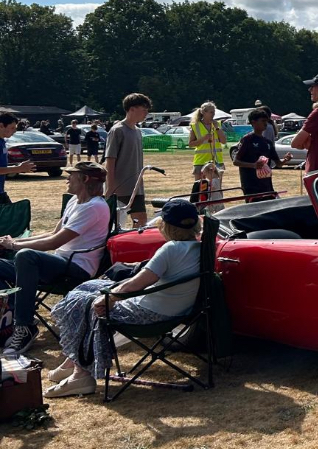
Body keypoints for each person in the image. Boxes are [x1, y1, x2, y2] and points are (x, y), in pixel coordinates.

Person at [44, 199, 201, 397]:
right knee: (88, 286)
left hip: (150, 314)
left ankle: (81, 375)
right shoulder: (200, 247)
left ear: (166, 225)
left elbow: (137, 284)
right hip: (175, 310)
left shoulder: (171, 249)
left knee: (86, 303)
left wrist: (111, 297)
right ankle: (74, 359)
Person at [0, 162, 112, 356]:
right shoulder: (74, 201)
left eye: (71, 175)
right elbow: (53, 233)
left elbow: (54, 242)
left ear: (85, 179)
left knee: (26, 256)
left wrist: (15, 245)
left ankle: (24, 326)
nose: (67, 179)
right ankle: (11, 315)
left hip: (77, 269)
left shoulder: (94, 207)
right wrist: (11, 241)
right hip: (59, 263)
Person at [105, 93, 152, 229]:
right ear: (132, 109)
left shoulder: (138, 131)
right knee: (116, 223)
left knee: (141, 221)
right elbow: (110, 160)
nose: (146, 113)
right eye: (144, 109)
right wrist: (110, 188)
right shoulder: (117, 130)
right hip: (121, 187)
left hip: (136, 187)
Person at [233, 108, 284, 202]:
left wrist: (285, 160)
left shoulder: (268, 142)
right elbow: (236, 161)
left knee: (269, 207)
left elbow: (278, 163)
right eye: (263, 121)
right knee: (254, 208)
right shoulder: (247, 140)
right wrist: (253, 165)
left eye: (267, 121)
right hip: (251, 185)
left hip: (266, 185)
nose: (265, 123)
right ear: (253, 122)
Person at [188, 101, 227, 199]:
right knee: (200, 187)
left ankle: (217, 205)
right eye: (211, 112)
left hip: (216, 160)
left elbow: (223, 141)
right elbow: (191, 144)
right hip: (201, 160)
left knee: (217, 187)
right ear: (203, 112)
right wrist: (203, 139)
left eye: (214, 112)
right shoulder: (195, 126)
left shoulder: (217, 124)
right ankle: (199, 205)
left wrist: (217, 128)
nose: (213, 115)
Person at [0, 112, 37, 206]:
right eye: (12, 128)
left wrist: (18, 167)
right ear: (1, 126)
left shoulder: (2, 141)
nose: (15, 131)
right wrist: (18, 169)